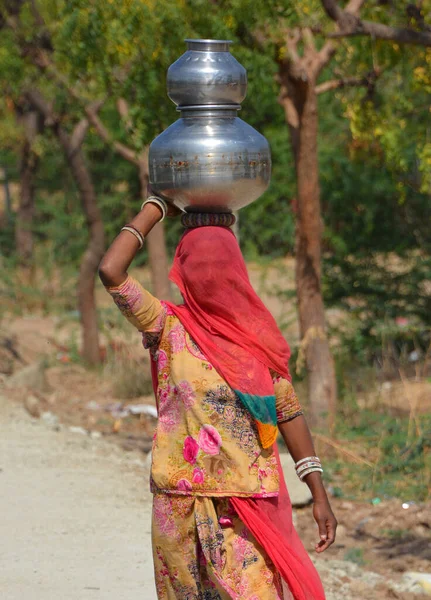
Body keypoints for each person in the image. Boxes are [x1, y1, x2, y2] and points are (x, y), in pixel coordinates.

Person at [99, 196, 337, 600]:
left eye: (218, 265)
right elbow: (110, 270)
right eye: (198, 264)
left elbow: (289, 413)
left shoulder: (258, 341)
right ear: (183, 272)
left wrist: (318, 493)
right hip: (180, 502)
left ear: (236, 272)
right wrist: (155, 207)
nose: (209, 274)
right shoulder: (167, 325)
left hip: (245, 505)